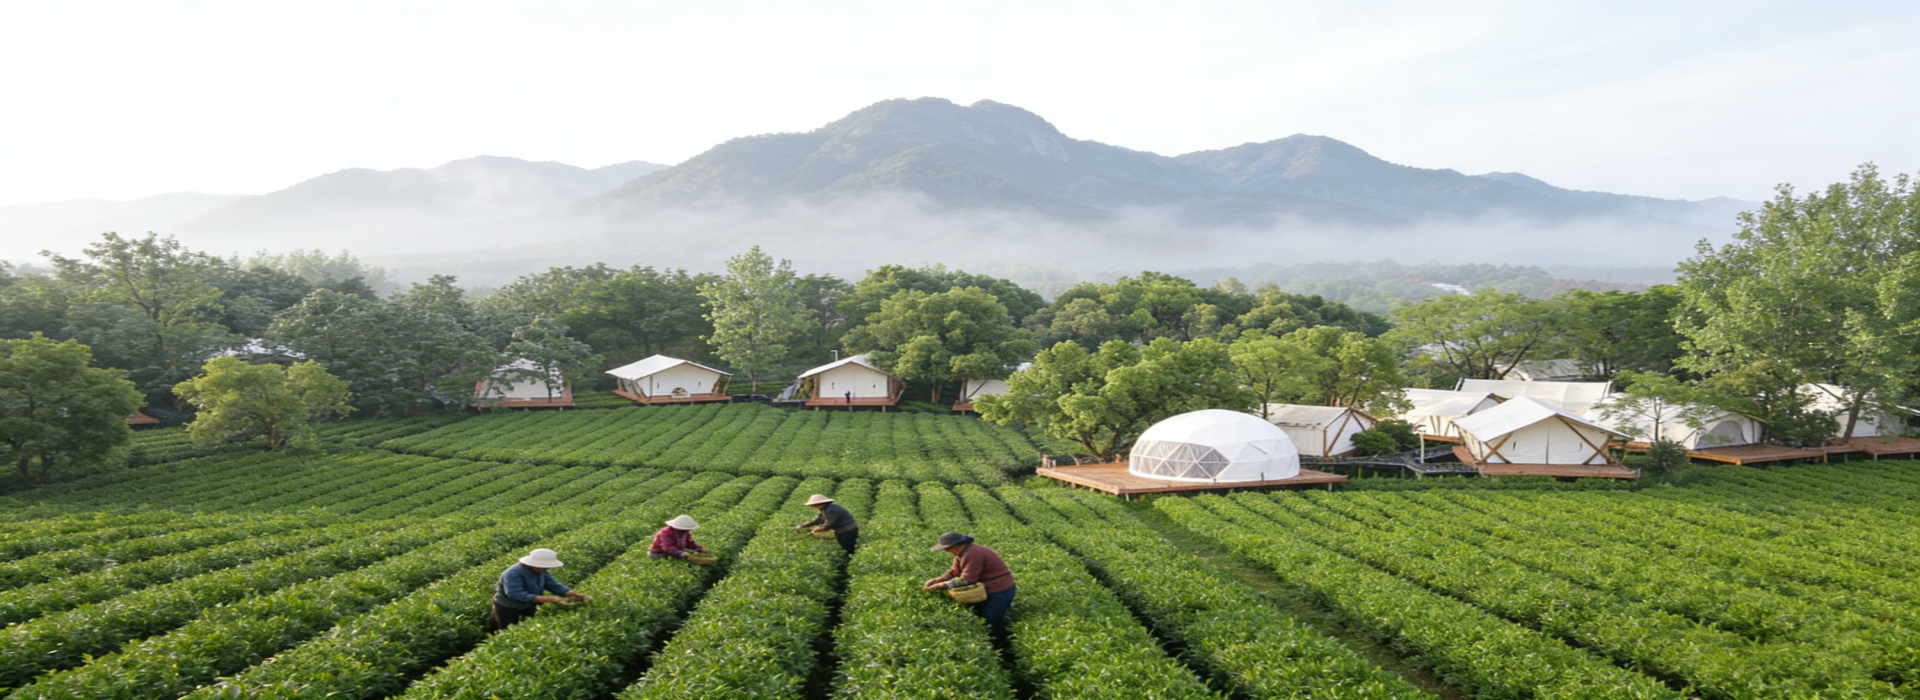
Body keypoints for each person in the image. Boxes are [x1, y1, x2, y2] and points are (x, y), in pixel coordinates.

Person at [921, 532, 1015, 638]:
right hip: (990, 589)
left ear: (957, 545)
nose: (946, 551)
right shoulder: (962, 554)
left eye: (947, 548)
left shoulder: (972, 553)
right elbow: (954, 572)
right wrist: (935, 581)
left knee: (992, 620)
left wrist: (942, 585)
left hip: (999, 589)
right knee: (985, 617)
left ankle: (1000, 645)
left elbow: (967, 580)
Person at [492, 548, 590, 631]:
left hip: (529, 604)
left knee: (529, 628)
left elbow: (553, 585)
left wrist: (573, 594)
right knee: (508, 630)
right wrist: (548, 599)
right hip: (508, 607)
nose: (546, 569)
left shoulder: (541, 571)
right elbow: (515, 593)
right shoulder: (513, 573)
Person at [793, 493, 859, 554]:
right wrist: (802, 526)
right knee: (843, 547)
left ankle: (849, 560)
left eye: (813, 505)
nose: (813, 506)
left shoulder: (830, 509)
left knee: (847, 548)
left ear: (820, 503)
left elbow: (830, 523)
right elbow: (817, 520)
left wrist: (819, 529)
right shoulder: (825, 509)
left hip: (848, 530)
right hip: (842, 531)